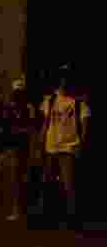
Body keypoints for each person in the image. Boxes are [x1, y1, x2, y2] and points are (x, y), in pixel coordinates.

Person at [38, 65, 90, 228]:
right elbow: (45, 124)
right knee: (47, 181)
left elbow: (85, 123)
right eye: (62, 76)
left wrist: (80, 144)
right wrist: (40, 142)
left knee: (69, 184)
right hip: (51, 145)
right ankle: (47, 215)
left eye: (67, 77)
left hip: (68, 146)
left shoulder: (78, 102)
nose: (64, 80)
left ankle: (71, 218)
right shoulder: (51, 99)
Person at [0, 78, 35, 222]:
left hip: (17, 149)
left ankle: (16, 211)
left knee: (15, 182)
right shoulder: (9, 108)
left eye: (19, 92)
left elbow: (29, 130)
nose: (16, 94)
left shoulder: (28, 108)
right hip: (5, 149)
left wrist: (14, 131)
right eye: (15, 91)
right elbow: (3, 126)